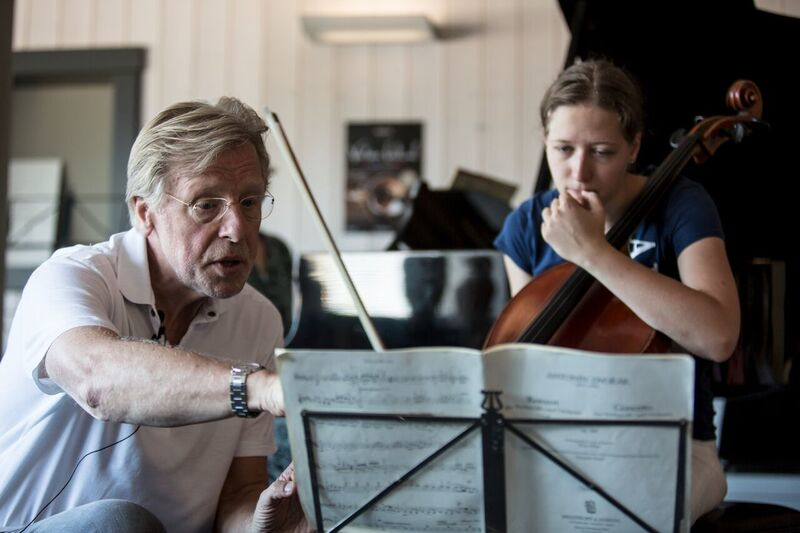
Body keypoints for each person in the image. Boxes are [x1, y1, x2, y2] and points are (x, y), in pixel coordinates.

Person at [0, 97, 311, 532]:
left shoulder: (259, 318)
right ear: (146, 213)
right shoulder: (71, 277)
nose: (237, 228)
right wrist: (256, 386)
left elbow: (238, 496)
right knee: (118, 521)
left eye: (250, 201)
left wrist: (262, 525)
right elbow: (97, 380)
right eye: (206, 205)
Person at [494, 58, 740, 524]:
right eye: (562, 148)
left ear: (634, 147)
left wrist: (594, 254)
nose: (578, 172)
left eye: (602, 151)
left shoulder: (681, 206)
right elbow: (528, 366)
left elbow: (718, 336)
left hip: (676, 446)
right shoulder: (527, 225)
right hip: (554, 447)